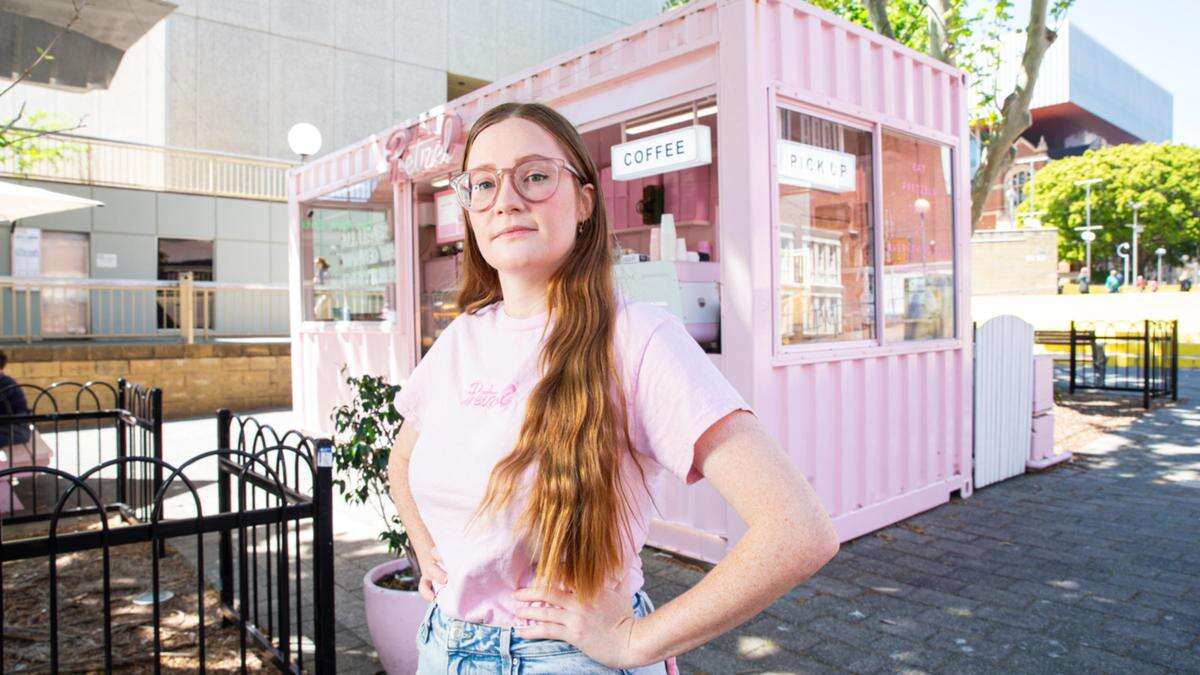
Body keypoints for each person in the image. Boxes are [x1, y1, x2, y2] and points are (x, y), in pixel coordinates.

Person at [387, 103, 839, 674]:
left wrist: (637, 642)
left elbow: (798, 530)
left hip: (563, 660)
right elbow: (401, 461)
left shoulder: (638, 339)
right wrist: (426, 547)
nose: (506, 199)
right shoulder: (462, 339)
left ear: (583, 201)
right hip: (440, 649)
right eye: (483, 183)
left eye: (534, 176)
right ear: (471, 211)